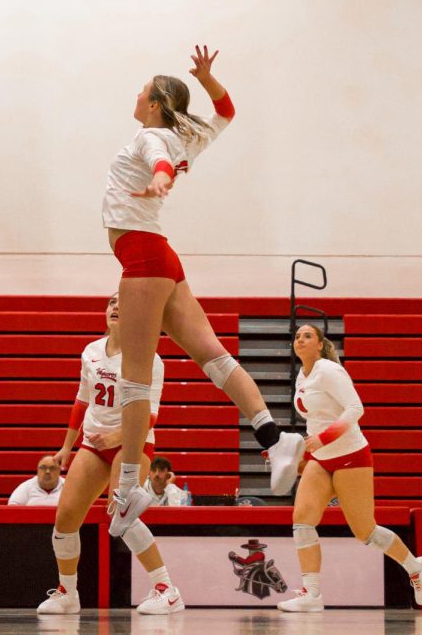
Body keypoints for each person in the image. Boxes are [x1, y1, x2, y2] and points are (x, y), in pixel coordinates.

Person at [104, 45, 305, 538]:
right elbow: (228, 112)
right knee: (213, 357)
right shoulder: (185, 134)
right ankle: (273, 436)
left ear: (154, 103)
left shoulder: (154, 136)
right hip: (160, 259)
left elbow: (159, 164)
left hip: (145, 259)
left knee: (133, 377)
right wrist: (209, 79)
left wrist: (159, 181)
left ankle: (129, 487)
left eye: (142, 90)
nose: (136, 95)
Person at [38, 292, 182, 615]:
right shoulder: (90, 352)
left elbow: (150, 414)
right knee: (65, 518)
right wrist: (66, 446)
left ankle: (167, 590)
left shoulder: (149, 358)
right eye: (111, 302)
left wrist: (118, 435)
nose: (116, 307)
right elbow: (81, 401)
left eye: (123, 302)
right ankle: (67, 593)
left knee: (122, 516)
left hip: (133, 441)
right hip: (94, 442)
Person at [277, 324, 422, 612]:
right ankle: (312, 594)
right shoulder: (302, 375)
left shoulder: (329, 370)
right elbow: (317, 421)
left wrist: (323, 438)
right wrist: (294, 451)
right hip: (321, 459)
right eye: (297, 336)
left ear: (321, 345)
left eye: (307, 336)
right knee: (302, 519)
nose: (300, 339)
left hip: (351, 455)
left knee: (366, 532)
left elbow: (356, 409)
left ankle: (415, 569)